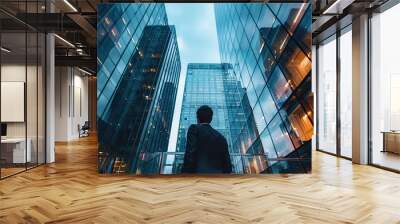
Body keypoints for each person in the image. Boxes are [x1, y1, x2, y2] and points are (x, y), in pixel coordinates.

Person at [182, 105, 232, 174]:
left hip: (198, 177)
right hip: (218, 179)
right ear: (211, 119)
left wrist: (184, 174)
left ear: (197, 118)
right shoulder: (221, 137)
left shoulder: (194, 129)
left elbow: (190, 154)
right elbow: (227, 165)